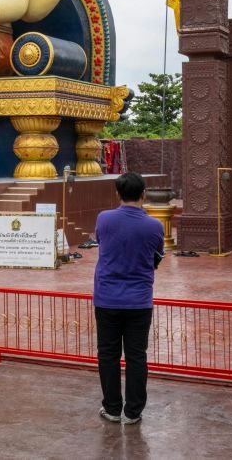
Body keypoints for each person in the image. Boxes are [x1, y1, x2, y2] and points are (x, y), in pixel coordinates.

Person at [93, 172, 164, 425]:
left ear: (117, 193)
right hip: (139, 300)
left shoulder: (104, 219)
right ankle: (133, 411)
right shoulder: (155, 226)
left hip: (106, 298)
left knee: (108, 354)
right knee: (136, 356)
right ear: (143, 194)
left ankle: (112, 408)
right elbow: (156, 258)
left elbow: (103, 244)